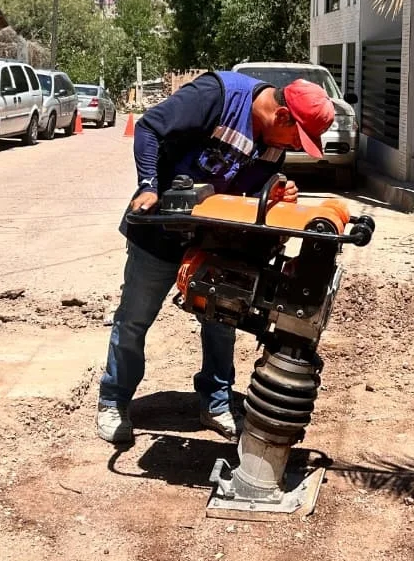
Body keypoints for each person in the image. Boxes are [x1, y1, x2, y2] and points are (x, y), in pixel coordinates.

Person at [95, 70, 337, 445]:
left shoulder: (274, 141)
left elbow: (253, 183)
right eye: (298, 137)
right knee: (134, 319)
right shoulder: (218, 96)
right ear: (283, 116)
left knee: (222, 317)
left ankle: (216, 402)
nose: (296, 146)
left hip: (216, 236)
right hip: (162, 228)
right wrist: (149, 185)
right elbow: (149, 128)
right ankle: (113, 401)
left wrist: (274, 192)